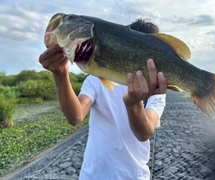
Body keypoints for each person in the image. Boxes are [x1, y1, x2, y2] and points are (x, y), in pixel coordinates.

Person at [39, 18, 166, 180]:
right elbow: (76, 116)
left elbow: (144, 132)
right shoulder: (97, 77)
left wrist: (133, 104)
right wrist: (61, 74)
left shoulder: (157, 90)